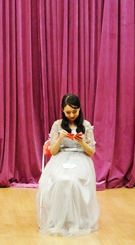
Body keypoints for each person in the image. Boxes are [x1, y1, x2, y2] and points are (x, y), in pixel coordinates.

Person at [36, 93, 99, 236]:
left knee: (74, 181)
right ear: (62, 111)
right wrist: (60, 138)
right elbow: (53, 151)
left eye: (74, 112)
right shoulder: (57, 125)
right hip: (60, 158)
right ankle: (59, 219)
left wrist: (82, 142)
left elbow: (91, 152)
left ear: (79, 109)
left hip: (81, 158)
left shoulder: (85, 125)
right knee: (60, 180)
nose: (71, 115)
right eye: (68, 112)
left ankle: (75, 220)